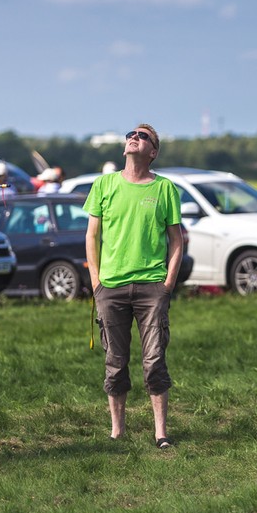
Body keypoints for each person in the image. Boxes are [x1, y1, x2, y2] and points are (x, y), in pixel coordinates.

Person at [84, 124, 183, 448]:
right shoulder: (104, 185)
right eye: (132, 134)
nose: (134, 137)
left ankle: (161, 433)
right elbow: (92, 236)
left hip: (152, 287)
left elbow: (176, 240)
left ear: (152, 152)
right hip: (110, 287)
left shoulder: (165, 188)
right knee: (115, 360)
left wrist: (167, 284)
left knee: (154, 360)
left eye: (142, 136)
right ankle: (117, 432)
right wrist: (97, 282)